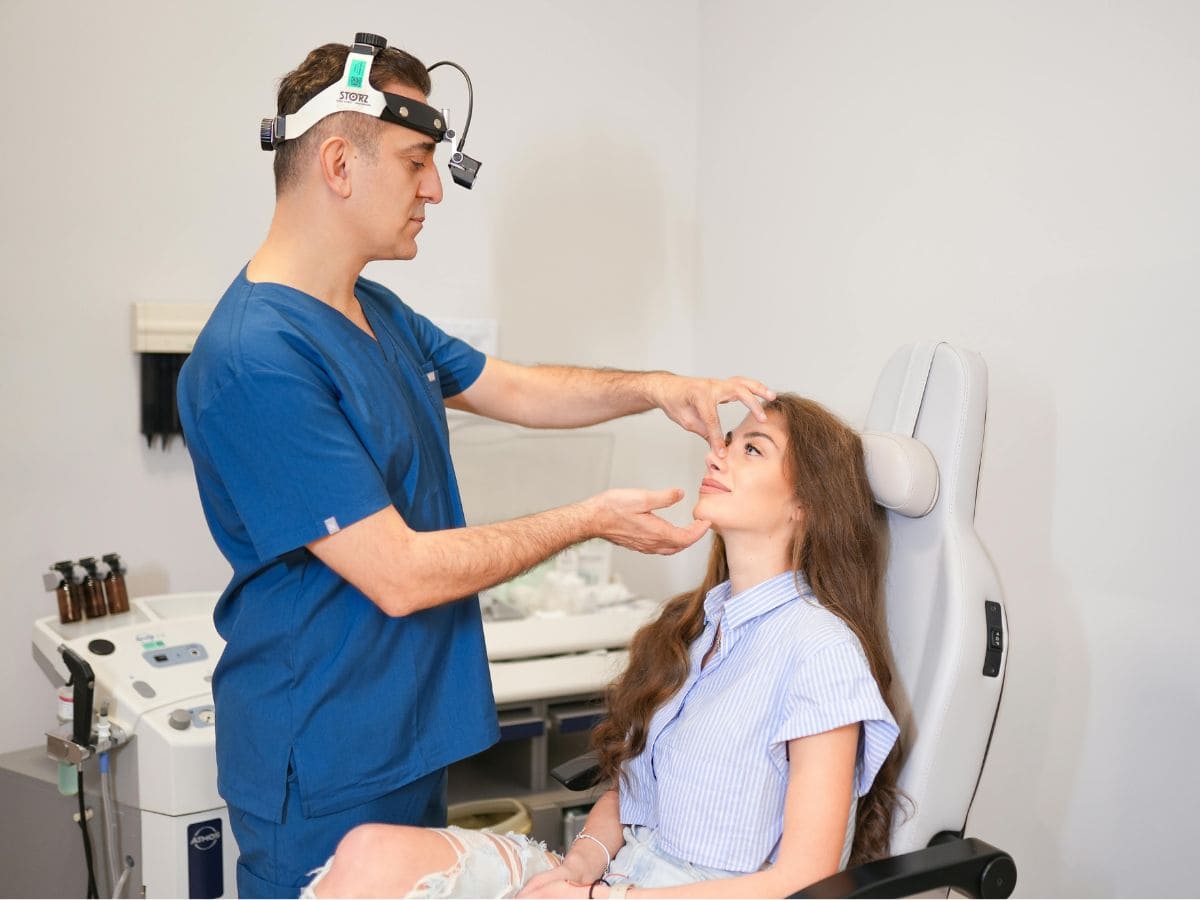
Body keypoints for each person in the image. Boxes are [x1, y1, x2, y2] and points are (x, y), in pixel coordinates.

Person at [176, 38, 775, 898]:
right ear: (339, 164)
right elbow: (400, 576)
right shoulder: (256, 359)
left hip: (404, 735)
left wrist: (657, 387)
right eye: (416, 161)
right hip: (323, 753)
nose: (433, 189)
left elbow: (519, 389)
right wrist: (588, 519)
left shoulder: (374, 310)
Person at [301, 393, 905, 899]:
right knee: (370, 852)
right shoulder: (697, 625)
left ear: (806, 505)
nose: (717, 454)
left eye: (753, 449)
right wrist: (581, 864)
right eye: (727, 440)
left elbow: (806, 879)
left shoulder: (819, 648)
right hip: (617, 876)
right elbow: (634, 791)